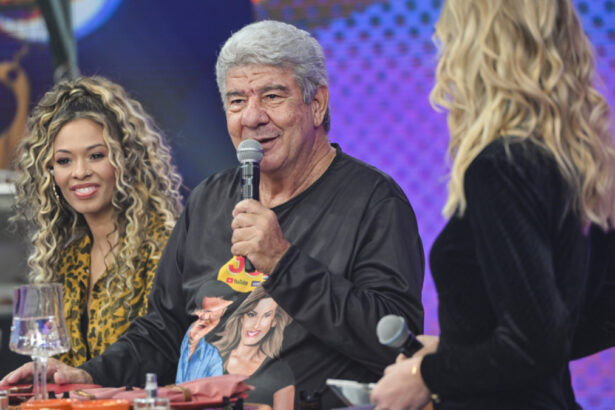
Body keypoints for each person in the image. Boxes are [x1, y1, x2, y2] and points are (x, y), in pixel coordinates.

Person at [2, 20, 425, 409]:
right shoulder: (210, 199)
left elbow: (392, 341)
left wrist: (283, 262)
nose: (253, 117)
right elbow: (163, 330)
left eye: (273, 96)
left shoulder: (373, 202)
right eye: (237, 100)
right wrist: (88, 374)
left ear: (317, 104)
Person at [370, 0, 615, 409]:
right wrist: (459, 352)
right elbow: (587, 321)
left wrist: (427, 376)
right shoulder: (582, 162)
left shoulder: (502, 168)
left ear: (475, 47)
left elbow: (533, 343)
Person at [8, 76, 183, 367]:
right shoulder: (65, 258)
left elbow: (165, 355)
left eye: (96, 156)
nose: (79, 172)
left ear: (127, 159)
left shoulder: (164, 248)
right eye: (64, 161)